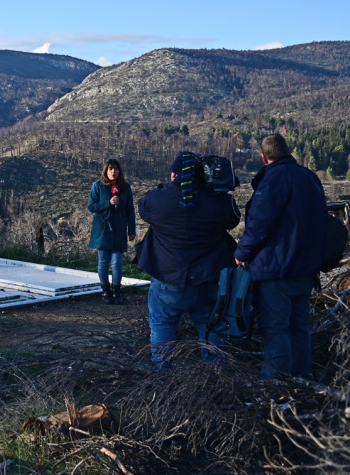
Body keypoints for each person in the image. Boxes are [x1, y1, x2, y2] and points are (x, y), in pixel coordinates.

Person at [136, 151, 241, 369]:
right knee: (210, 327)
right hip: (206, 279)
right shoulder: (219, 203)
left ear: (175, 174)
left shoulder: (159, 201)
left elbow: (143, 206)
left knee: (162, 325)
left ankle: (163, 376)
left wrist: (167, 187)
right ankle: (216, 376)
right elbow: (233, 219)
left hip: (168, 277)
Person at [234, 134, 326, 379]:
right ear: (287, 151)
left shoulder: (273, 179)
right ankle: (301, 384)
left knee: (276, 330)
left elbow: (261, 223)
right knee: (299, 329)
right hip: (306, 268)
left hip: (276, 268)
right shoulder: (309, 177)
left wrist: (243, 253)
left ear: (264, 157)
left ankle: (276, 390)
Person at [88, 158, 136, 304]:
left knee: (117, 263)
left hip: (119, 229)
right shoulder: (97, 186)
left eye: (115, 168)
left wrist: (131, 230)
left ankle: (117, 292)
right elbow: (92, 206)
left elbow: (130, 211)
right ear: (105, 171)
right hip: (102, 229)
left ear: (119, 171)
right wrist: (108, 203)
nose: (113, 171)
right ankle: (105, 291)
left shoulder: (125, 187)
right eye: (110, 168)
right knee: (103, 262)